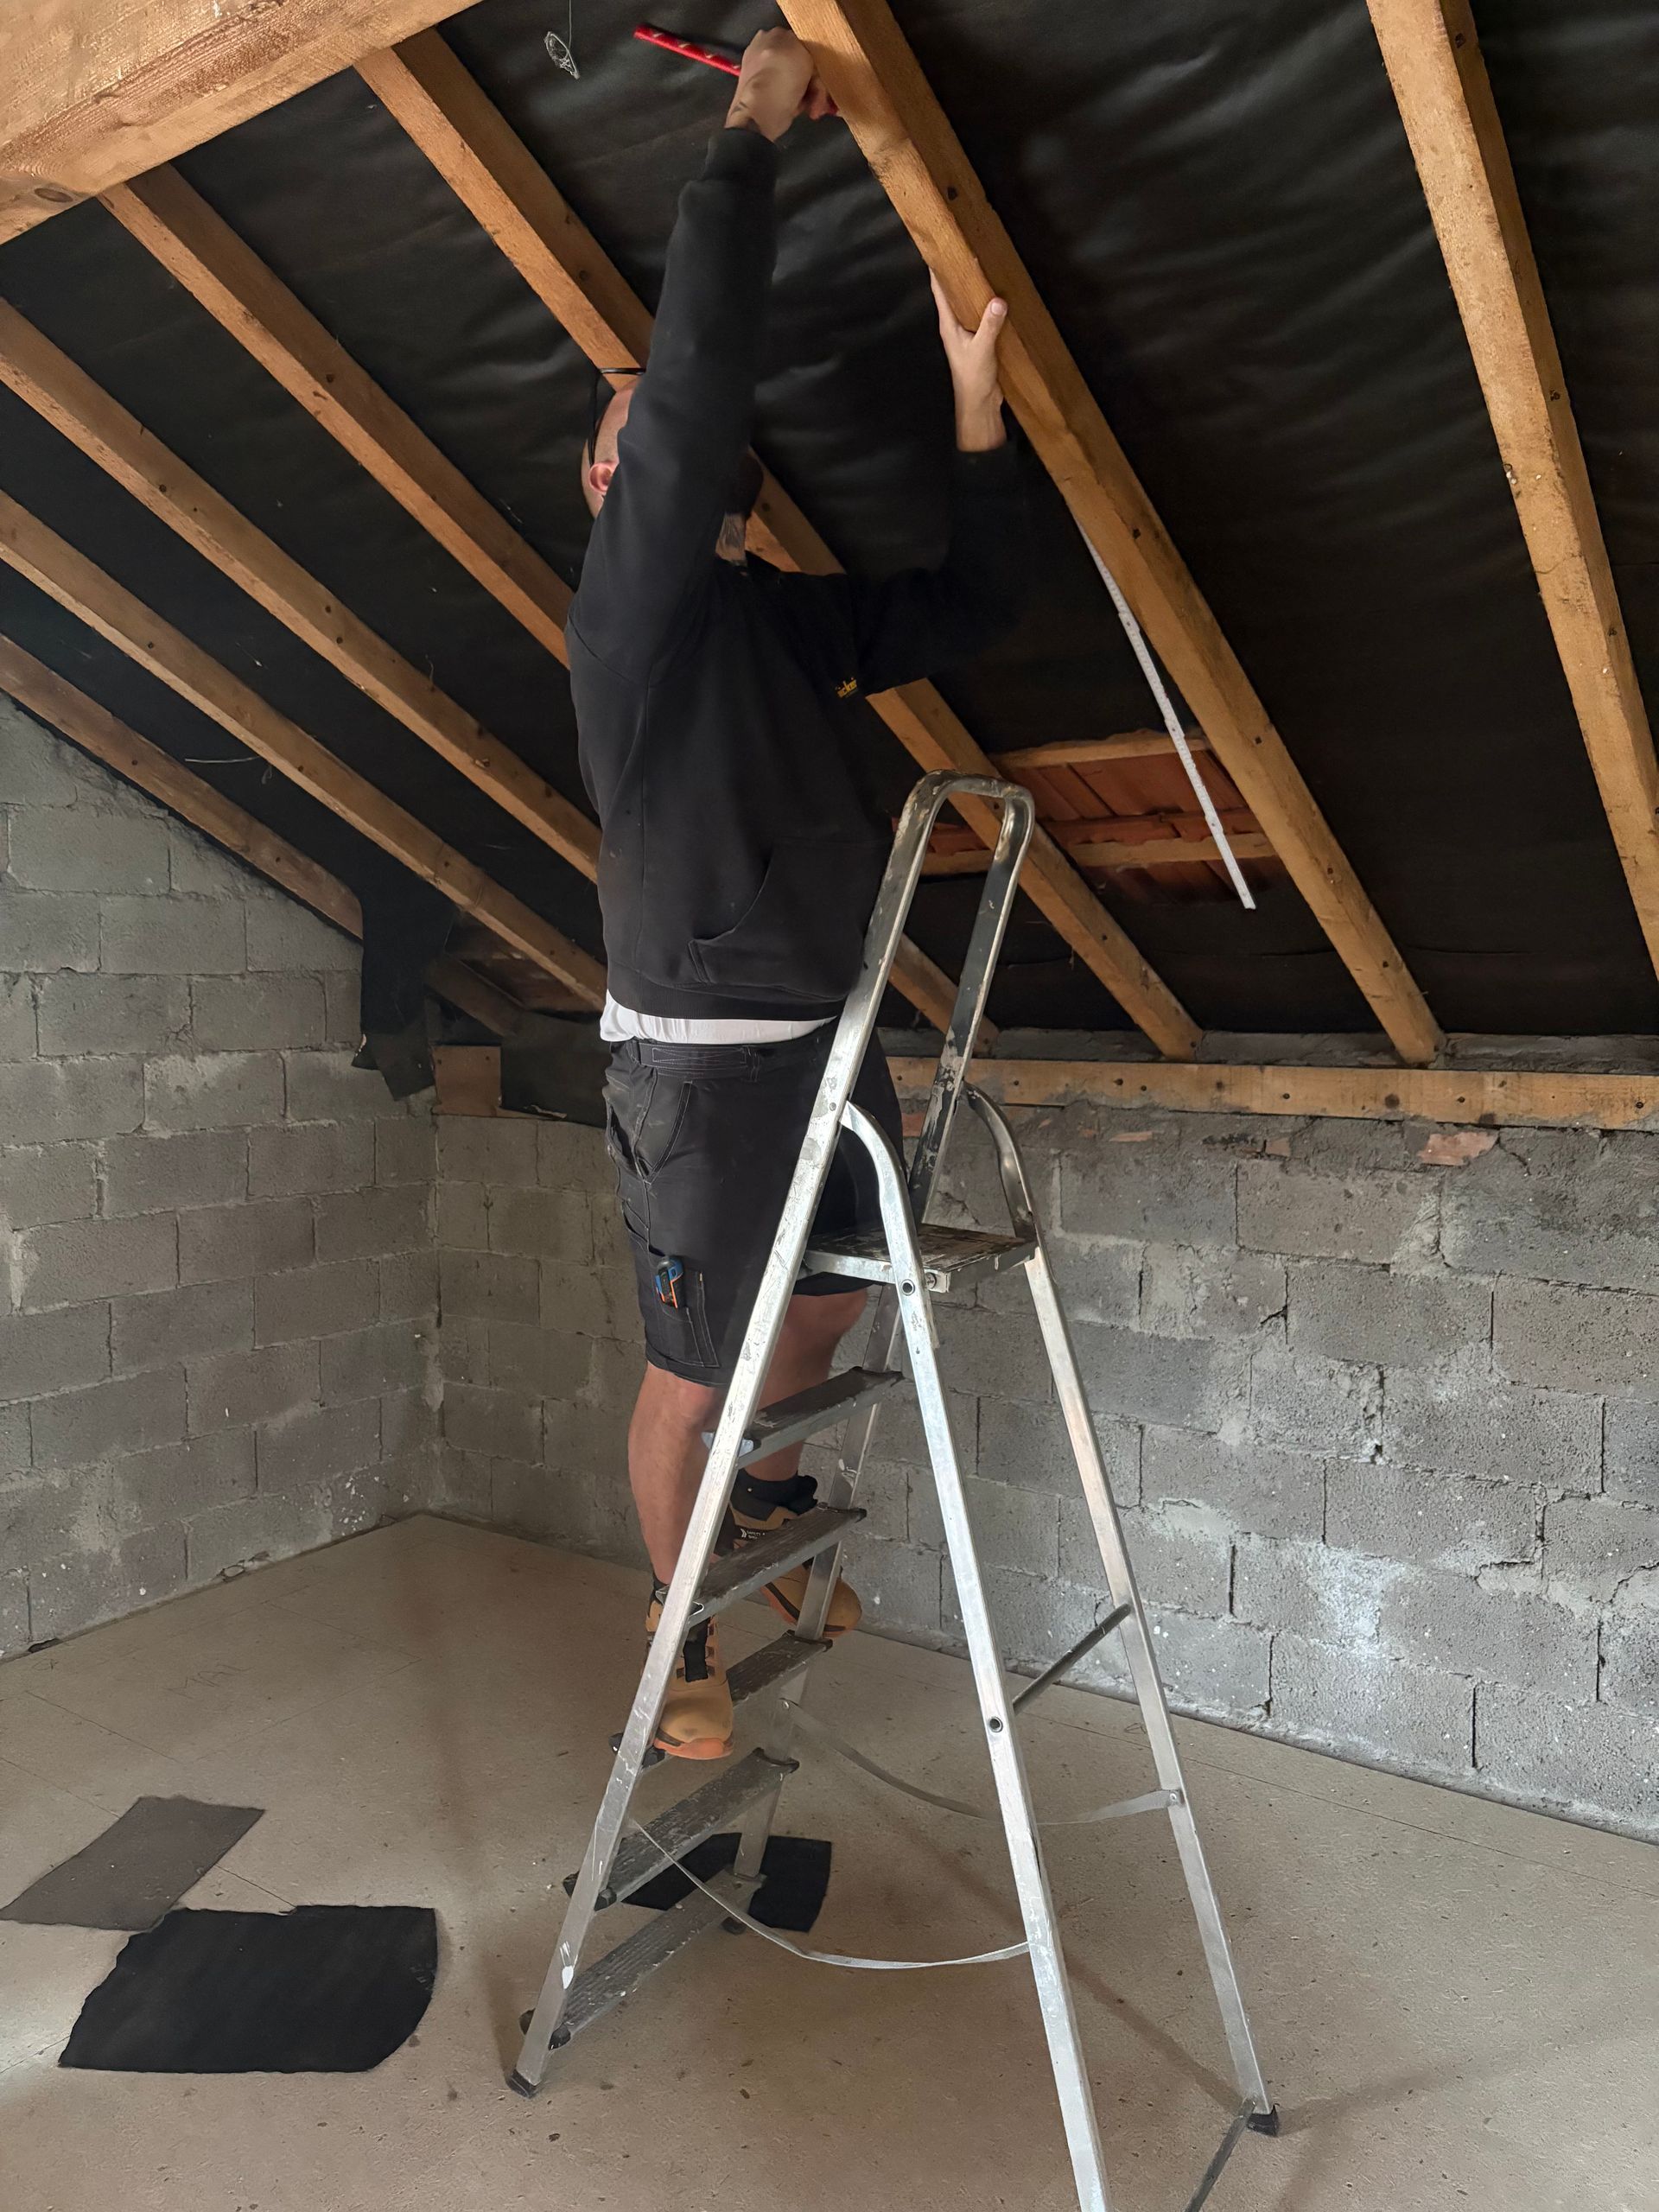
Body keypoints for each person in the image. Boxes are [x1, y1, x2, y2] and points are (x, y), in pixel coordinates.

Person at [570, 26, 1024, 1759]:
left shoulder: (785, 618)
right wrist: (752, 130)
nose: (662, 443)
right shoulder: (633, 627)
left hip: (830, 1045)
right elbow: (686, 395)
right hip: (695, 1063)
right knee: (688, 1373)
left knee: (828, 1295)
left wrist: (976, 417)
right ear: (618, 493)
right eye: (633, 443)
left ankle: (759, 1502)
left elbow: (969, 607)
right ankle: (676, 1625)